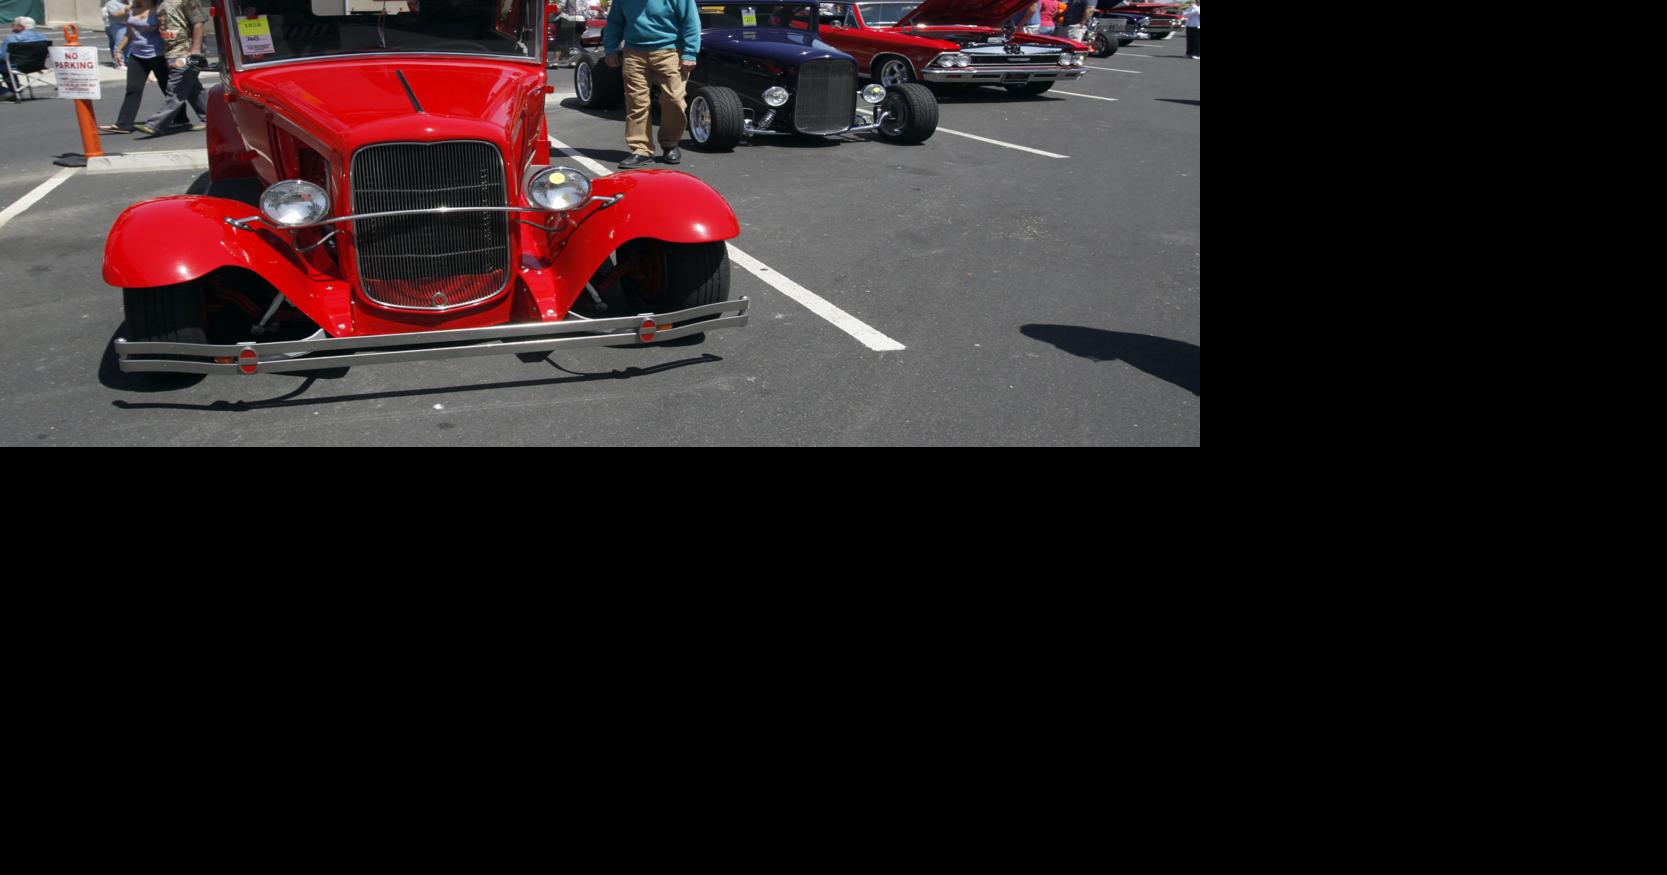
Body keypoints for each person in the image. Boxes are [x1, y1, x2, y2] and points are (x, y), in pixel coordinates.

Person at [602, 0, 700, 169]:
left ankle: (670, 143)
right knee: (636, 102)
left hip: (669, 51)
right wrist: (610, 49)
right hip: (633, 53)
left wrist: (690, 53)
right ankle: (641, 150)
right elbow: (614, 23)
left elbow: (690, 21)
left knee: (674, 99)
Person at [133, 0, 209, 136]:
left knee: (176, 89)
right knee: (192, 88)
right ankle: (210, 117)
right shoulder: (156, 2)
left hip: (185, 51)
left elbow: (199, 22)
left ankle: (155, 125)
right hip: (170, 52)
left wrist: (196, 51)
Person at [99, 0, 170, 133]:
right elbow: (129, 33)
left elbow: (166, 32)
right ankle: (124, 124)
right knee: (133, 89)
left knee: (167, 87)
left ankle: (180, 118)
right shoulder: (132, 9)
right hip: (137, 55)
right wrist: (118, 50)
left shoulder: (159, 10)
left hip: (158, 54)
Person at [1, 16, 50, 97]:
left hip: (17, 66)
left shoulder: (12, 38)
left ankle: (5, 92)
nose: (12, 25)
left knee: (4, 65)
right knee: (5, 65)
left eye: (14, 24)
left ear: (21, 27)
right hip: (38, 65)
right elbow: (48, 54)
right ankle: (15, 90)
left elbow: (3, 56)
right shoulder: (43, 37)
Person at [553, 0, 587, 67]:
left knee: (560, 41)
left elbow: (560, 8)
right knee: (575, 42)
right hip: (581, 20)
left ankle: (555, 61)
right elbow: (588, 11)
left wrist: (554, 9)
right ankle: (573, 61)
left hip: (568, 19)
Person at [104, 1, 130, 70]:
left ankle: (127, 61)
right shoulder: (112, 2)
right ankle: (119, 63)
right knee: (119, 44)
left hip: (128, 25)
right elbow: (115, 14)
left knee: (128, 45)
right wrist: (127, 10)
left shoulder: (130, 2)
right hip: (117, 25)